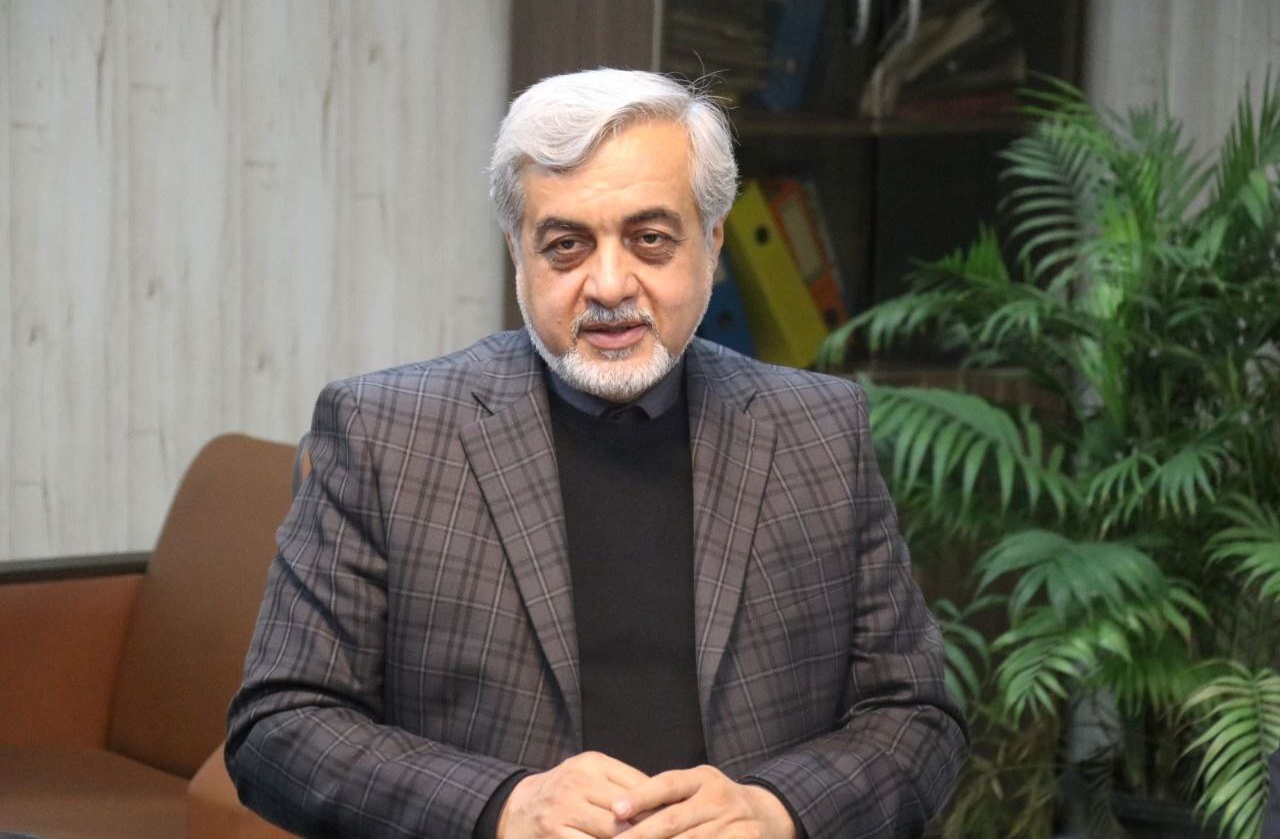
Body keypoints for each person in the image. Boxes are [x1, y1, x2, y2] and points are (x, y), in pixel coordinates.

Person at [225, 68, 967, 839]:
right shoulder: (386, 434)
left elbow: (917, 719)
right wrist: (501, 806)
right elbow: (280, 727)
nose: (609, 286)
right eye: (566, 245)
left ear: (712, 242)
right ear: (517, 253)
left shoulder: (818, 431)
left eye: (650, 240)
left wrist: (776, 810)